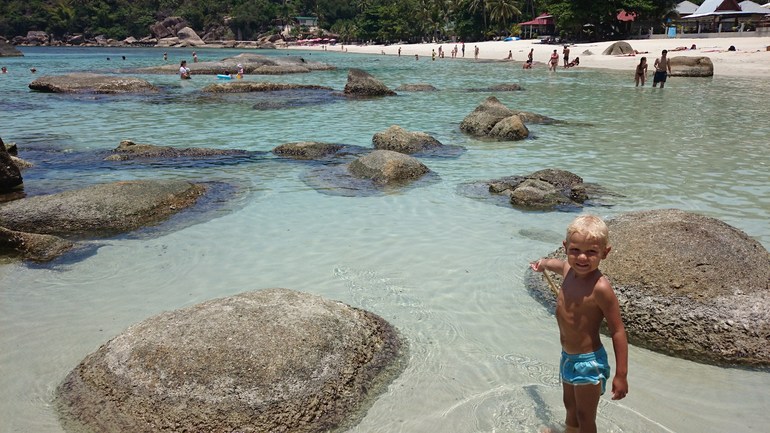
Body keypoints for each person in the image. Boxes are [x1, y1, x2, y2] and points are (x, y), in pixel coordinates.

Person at [530, 215, 628, 433]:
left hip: (589, 362)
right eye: (575, 250)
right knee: (570, 406)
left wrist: (621, 375)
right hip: (568, 357)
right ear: (565, 247)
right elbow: (556, 264)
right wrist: (542, 264)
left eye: (591, 252)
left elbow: (618, 331)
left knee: (585, 416)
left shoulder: (600, 288)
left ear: (605, 253)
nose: (582, 257)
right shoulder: (568, 272)